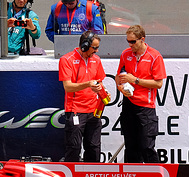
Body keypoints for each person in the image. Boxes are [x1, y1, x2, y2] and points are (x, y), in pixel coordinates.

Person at [115, 25, 166, 163]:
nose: (130, 45)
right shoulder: (126, 54)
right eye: (128, 41)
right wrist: (120, 87)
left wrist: (135, 80)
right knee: (131, 147)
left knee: (146, 147)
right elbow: (119, 76)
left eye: (133, 42)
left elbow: (158, 84)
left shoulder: (154, 56)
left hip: (145, 106)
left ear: (142, 39)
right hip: (128, 104)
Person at [58, 31, 105, 162]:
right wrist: (88, 84)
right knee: (74, 147)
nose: (96, 51)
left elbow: (99, 81)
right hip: (75, 110)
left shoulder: (96, 60)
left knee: (94, 147)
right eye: (94, 47)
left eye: (97, 48)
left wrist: (102, 90)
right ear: (84, 46)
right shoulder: (67, 60)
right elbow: (68, 87)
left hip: (94, 111)